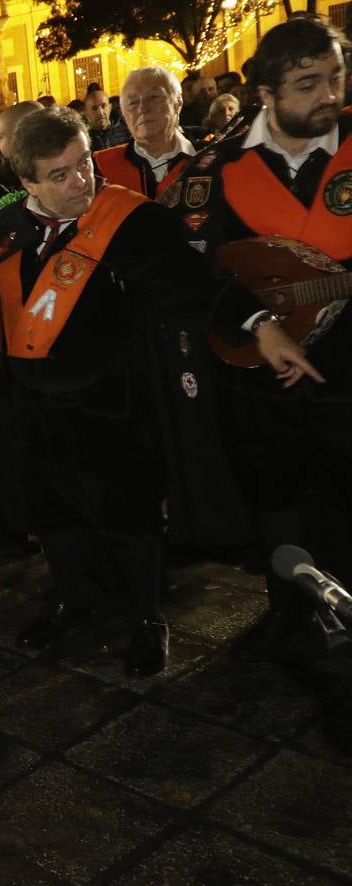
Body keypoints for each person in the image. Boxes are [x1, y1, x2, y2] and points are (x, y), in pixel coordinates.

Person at [0, 106, 234, 676]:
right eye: (59, 175)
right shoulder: (4, 229)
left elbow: (195, 284)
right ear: (26, 183)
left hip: (113, 403)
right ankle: (71, 601)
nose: (81, 181)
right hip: (32, 404)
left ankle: (146, 618)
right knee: (52, 513)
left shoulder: (132, 220)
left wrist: (257, 323)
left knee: (129, 516)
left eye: (83, 163)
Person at [178, 15, 352, 658]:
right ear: (267, 96)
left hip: (348, 371)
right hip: (259, 373)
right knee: (274, 497)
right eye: (307, 84)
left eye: (335, 78)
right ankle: (287, 613)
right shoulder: (217, 171)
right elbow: (201, 270)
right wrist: (262, 325)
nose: (328, 95)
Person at [94, 67, 197, 202]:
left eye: (154, 97)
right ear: (124, 114)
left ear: (178, 102)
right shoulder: (101, 168)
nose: (143, 108)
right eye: (133, 102)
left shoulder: (208, 158)